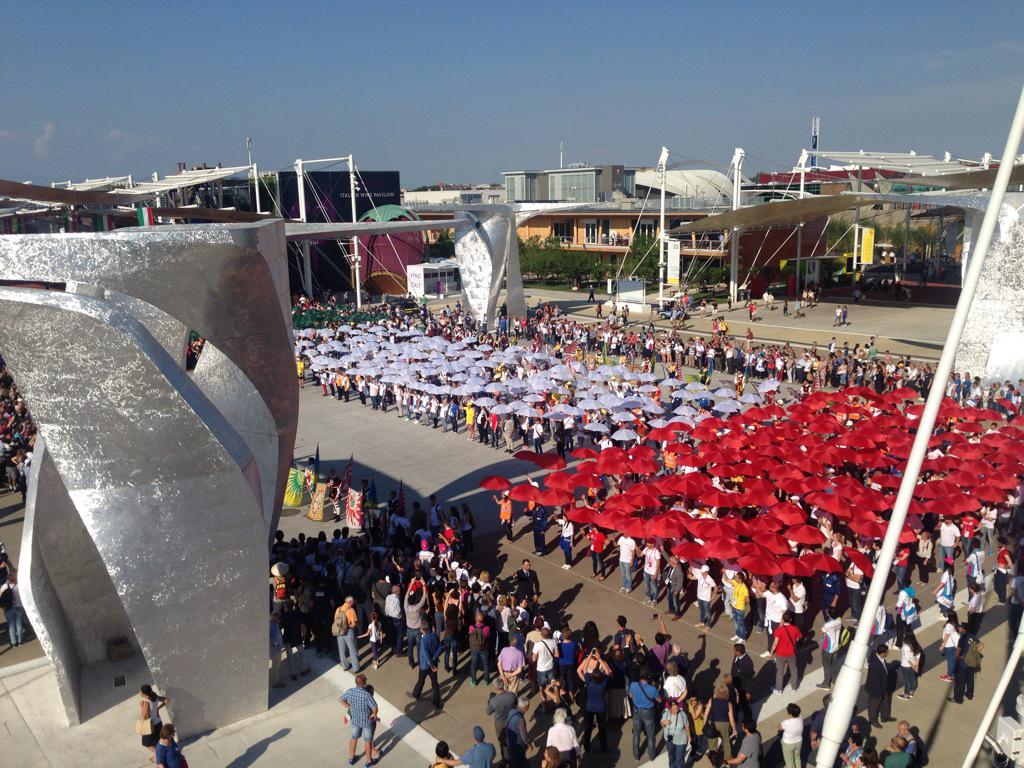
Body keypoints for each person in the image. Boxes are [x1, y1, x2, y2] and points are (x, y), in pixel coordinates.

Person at [341, 674, 380, 766]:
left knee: (354, 738)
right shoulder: (366, 695)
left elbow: (341, 700)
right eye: (365, 679)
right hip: (367, 722)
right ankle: (369, 761)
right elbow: (375, 707)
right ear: (363, 682)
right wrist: (374, 715)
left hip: (355, 720)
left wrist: (350, 707)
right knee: (368, 741)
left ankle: (351, 759)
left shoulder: (350, 691)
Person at [577, 648, 611, 753]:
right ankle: (604, 748)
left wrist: (588, 657)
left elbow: (585, 669)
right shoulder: (603, 683)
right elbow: (607, 671)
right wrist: (599, 659)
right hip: (601, 708)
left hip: (590, 707)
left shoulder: (589, 683)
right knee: (602, 728)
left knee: (588, 728)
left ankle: (586, 746)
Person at [629, 667, 662, 761]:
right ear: (649, 677)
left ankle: (636, 755)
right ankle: (651, 755)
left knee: (636, 734)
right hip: (648, 712)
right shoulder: (652, 688)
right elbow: (659, 700)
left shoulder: (633, 684)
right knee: (650, 735)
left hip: (636, 710)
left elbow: (631, 695)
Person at [409, 620, 444, 710]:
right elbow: (440, 648)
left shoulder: (423, 640)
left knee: (421, 680)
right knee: (435, 683)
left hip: (425, 666)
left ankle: (416, 694)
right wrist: (435, 658)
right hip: (434, 664)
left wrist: (431, 665)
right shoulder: (435, 636)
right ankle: (437, 702)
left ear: (422, 629)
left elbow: (426, 654)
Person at [486, 679, 518, 764]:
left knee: (503, 744)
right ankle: (515, 756)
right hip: (511, 721)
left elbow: (488, 712)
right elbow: (516, 704)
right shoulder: (511, 695)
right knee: (513, 739)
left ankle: (506, 762)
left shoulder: (493, 701)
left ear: (495, 687)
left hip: (500, 725)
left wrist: (489, 701)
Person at [951, 625, 983, 704]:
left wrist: (956, 658)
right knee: (970, 679)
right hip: (971, 663)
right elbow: (981, 645)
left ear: (963, 629)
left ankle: (958, 699)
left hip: (962, 664)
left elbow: (958, 652)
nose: (958, 629)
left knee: (960, 682)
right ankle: (969, 694)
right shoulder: (972, 637)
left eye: (960, 627)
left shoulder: (962, 639)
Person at [770, 611, 802, 693]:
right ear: (790, 620)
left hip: (780, 654)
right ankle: (794, 687)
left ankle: (779, 689)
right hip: (791, 654)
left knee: (780, 672)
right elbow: (799, 637)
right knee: (793, 671)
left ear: (783, 620)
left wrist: (771, 652)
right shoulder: (795, 629)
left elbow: (775, 643)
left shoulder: (779, 630)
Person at [865, 643, 894, 728]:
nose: (888, 652)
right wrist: (879, 693)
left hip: (882, 686)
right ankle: (873, 720)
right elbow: (875, 681)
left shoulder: (876, 655)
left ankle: (885, 717)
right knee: (873, 706)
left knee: (885, 702)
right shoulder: (876, 665)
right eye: (887, 652)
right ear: (882, 653)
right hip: (876, 689)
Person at [138, 684, 169, 761]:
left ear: (144, 693)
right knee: (158, 741)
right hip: (158, 723)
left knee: (146, 743)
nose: (139, 692)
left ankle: (159, 755)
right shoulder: (154, 696)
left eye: (140, 691)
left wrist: (141, 706)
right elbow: (167, 700)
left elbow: (144, 716)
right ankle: (161, 754)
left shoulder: (146, 702)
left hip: (151, 726)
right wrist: (158, 708)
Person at [661, 698, 691, 768]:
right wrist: (663, 723)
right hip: (669, 740)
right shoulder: (666, 713)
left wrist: (689, 736)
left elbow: (687, 725)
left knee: (679, 759)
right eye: (674, 709)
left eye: (677, 708)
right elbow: (662, 724)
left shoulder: (682, 714)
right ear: (670, 708)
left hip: (681, 741)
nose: (677, 710)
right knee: (671, 757)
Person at [335, 596, 361, 673]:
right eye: (353, 601)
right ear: (350, 602)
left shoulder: (338, 609)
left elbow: (335, 620)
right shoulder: (351, 610)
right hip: (348, 631)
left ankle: (345, 665)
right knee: (352, 649)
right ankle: (356, 668)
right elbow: (353, 624)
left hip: (339, 632)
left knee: (341, 650)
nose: (353, 602)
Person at [505, 696, 532, 768]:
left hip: (510, 740)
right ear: (525, 708)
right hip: (518, 745)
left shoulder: (511, 711)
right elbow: (524, 735)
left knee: (516, 759)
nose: (528, 708)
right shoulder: (520, 719)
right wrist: (529, 744)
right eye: (528, 706)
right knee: (519, 760)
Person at [778, 703, 804, 768]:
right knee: (797, 757)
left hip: (788, 744)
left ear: (790, 713)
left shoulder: (786, 722)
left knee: (789, 761)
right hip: (799, 741)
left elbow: (780, 728)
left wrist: (779, 724)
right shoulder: (800, 718)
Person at [897, 632, 922, 700]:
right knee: (913, 678)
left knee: (906, 680)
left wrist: (913, 666)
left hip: (905, 665)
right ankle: (912, 692)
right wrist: (916, 665)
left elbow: (907, 659)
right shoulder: (915, 644)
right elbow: (918, 655)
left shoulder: (905, 647)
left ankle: (906, 695)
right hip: (913, 664)